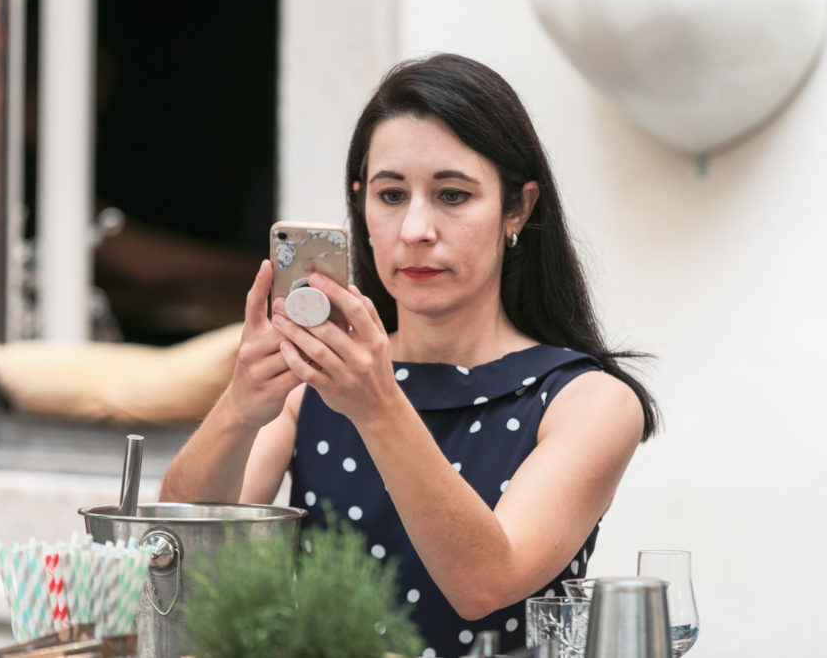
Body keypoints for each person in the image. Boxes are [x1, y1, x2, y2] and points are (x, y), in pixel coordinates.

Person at [160, 53, 658, 655]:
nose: (416, 228)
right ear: (361, 208)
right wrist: (239, 407)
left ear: (517, 210)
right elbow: (177, 559)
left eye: (452, 195)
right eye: (391, 195)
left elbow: (485, 584)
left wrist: (376, 405)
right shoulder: (314, 384)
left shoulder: (588, 401)